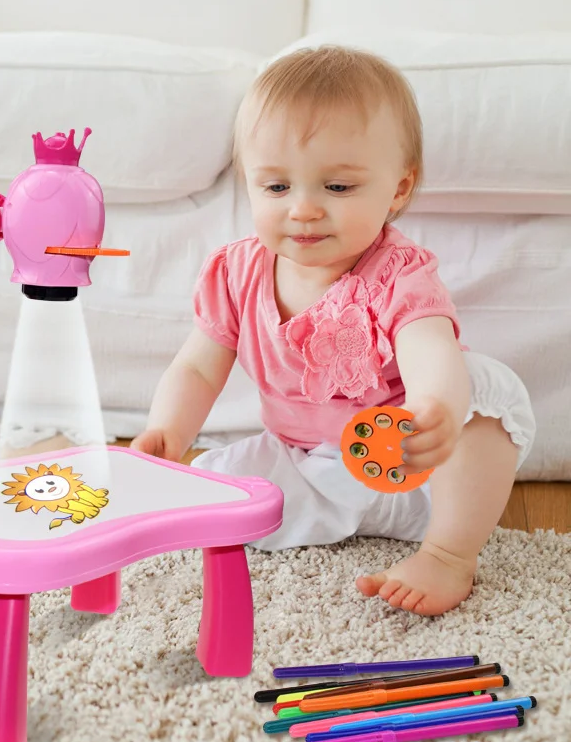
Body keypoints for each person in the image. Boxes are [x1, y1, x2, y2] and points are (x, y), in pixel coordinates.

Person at [131, 45, 536, 616]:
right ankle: (330, 517)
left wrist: (435, 410)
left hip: (421, 472)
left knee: (487, 389)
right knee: (209, 488)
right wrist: (167, 430)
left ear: (398, 189)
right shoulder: (237, 272)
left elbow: (429, 345)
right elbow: (197, 367)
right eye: (276, 188)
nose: (303, 209)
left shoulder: (399, 272)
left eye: (337, 188)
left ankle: (448, 554)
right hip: (311, 470)